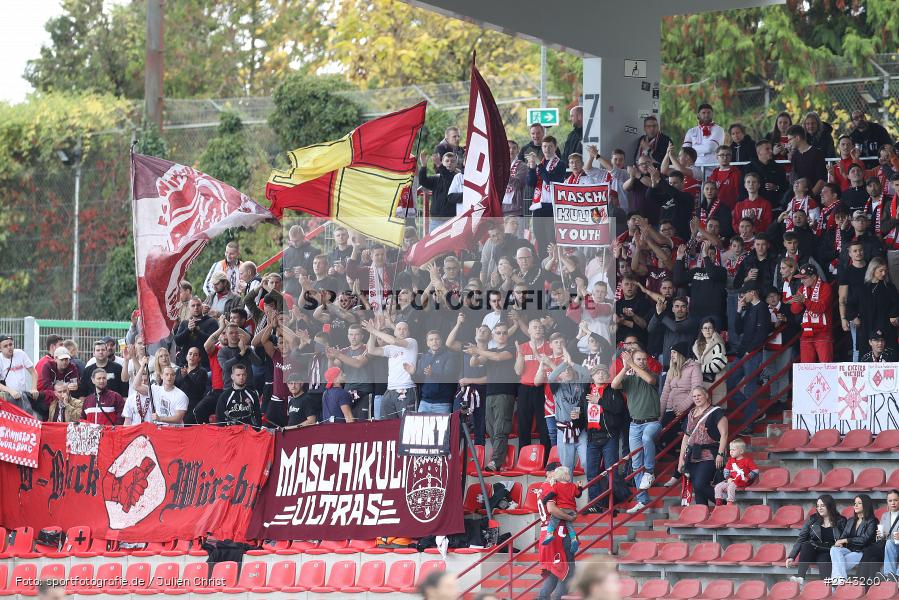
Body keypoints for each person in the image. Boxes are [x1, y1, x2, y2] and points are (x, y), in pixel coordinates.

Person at [611, 349, 660, 513]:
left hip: (651, 422)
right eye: (639, 359)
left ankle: (650, 471)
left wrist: (631, 363)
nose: (642, 362)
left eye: (644, 359)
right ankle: (642, 500)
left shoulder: (652, 374)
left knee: (647, 439)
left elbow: (649, 380)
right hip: (634, 424)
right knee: (636, 463)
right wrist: (625, 368)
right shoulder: (630, 377)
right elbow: (613, 384)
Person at [584, 363, 627, 513]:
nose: (601, 375)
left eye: (603, 372)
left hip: (609, 436)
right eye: (597, 373)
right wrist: (575, 419)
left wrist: (600, 401)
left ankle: (612, 504)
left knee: (612, 471)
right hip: (592, 437)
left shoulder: (613, 390)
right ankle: (596, 504)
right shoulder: (587, 391)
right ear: (592, 376)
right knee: (591, 473)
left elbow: (618, 409)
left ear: (608, 376)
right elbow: (582, 414)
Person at [676, 386, 727, 507]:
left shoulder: (716, 412)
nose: (696, 398)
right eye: (694, 396)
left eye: (699, 395)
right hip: (693, 454)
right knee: (698, 489)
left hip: (710, 453)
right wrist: (681, 459)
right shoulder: (691, 413)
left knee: (700, 484)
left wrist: (720, 454)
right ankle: (702, 515)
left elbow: (724, 434)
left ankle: (724, 504)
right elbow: (686, 437)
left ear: (706, 396)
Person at [364, 319, 418, 420]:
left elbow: (394, 340)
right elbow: (371, 350)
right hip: (390, 390)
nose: (402, 331)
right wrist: (372, 333)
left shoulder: (412, 342)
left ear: (409, 332)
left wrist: (374, 330)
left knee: (407, 423)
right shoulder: (390, 347)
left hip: (406, 387)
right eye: (399, 329)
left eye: (404, 329)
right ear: (395, 332)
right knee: (385, 423)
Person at [787, 494, 846, 585]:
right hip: (814, 550)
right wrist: (791, 556)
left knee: (824, 559)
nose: (819, 508)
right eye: (818, 506)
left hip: (829, 551)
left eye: (822, 506)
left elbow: (845, 539)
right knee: (806, 545)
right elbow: (801, 538)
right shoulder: (813, 519)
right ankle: (800, 577)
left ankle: (828, 589)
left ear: (830, 506)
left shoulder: (841, 521)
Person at [658, 342, 701, 459]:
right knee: (660, 429)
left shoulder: (694, 367)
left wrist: (683, 407)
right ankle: (673, 455)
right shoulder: (671, 370)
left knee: (671, 430)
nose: (671, 355)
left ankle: (679, 456)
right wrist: (659, 415)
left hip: (686, 409)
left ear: (681, 354)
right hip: (670, 408)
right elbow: (665, 392)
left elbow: (696, 389)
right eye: (671, 352)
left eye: (674, 353)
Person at [847, 257, 899, 352]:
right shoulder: (861, 288)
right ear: (873, 270)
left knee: (889, 355)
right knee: (866, 355)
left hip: (885, 326)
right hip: (867, 326)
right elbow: (850, 304)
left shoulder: (889, 287)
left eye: (885, 271)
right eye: (881, 271)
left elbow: (897, 303)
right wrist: (854, 317)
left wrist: (893, 314)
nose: (884, 273)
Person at [790, 264, 835, 363]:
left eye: (804, 278)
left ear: (814, 276)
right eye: (801, 278)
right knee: (806, 369)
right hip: (806, 332)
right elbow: (794, 310)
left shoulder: (826, 287)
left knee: (826, 367)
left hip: (823, 333)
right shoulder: (802, 289)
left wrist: (804, 301)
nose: (802, 281)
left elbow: (820, 308)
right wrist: (799, 302)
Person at [830, 494, 878, 585]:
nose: (855, 505)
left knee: (836, 565)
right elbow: (843, 537)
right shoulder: (851, 520)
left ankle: (836, 585)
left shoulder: (872, 521)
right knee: (834, 549)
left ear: (866, 505)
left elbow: (864, 540)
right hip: (848, 550)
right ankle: (841, 581)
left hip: (861, 552)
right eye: (855, 503)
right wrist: (840, 543)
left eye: (859, 503)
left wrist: (846, 540)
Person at [541, 466, 583, 552]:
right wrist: (580, 487)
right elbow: (578, 495)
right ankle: (574, 539)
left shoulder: (556, 486)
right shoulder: (573, 486)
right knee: (570, 526)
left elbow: (551, 495)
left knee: (553, 521)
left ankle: (549, 534)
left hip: (562, 509)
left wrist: (544, 501)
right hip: (572, 510)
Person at [0, 334, 41, 417]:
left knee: (28, 418)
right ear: (0, 349)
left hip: (23, 395)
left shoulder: (20, 353)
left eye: (11, 344)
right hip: (7, 397)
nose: (9, 347)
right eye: (5, 346)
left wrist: (34, 388)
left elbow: (33, 372)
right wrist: (10, 391)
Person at [692, 318, 728, 407]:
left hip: (716, 384)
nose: (707, 330)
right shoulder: (697, 345)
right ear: (701, 330)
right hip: (701, 384)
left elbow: (717, 365)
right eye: (705, 328)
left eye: (710, 328)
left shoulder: (719, 344)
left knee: (715, 412)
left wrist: (699, 368)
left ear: (714, 329)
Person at [712, 438, 758, 505]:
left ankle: (730, 502)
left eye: (733, 450)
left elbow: (755, 470)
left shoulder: (747, 460)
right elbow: (726, 470)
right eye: (730, 449)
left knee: (730, 487)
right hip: (731, 480)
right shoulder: (731, 460)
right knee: (718, 486)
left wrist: (748, 477)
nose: (731, 451)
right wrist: (728, 478)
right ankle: (718, 503)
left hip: (741, 481)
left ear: (741, 451)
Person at [788, 125, 827, 196]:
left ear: (797, 138)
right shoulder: (795, 156)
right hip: (799, 198)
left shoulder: (817, 153)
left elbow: (821, 180)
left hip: (814, 198)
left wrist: (809, 198)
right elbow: (795, 180)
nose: (789, 143)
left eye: (790, 139)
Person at [682, 103, 725, 167]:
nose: (706, 115)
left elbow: (710, 148)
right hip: (694, 168)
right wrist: (702, 148)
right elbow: (685, 151)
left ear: (712, 114)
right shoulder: (691, 131)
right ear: (698, 115)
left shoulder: (718, 129)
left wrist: (692, 148)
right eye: (703, 113)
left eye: (709, 113)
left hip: (713, 167)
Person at [880, 489, 899, 578]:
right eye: (890, 501)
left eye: (895, 500)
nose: (893, 503)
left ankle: (897, 576)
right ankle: (889, 575)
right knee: (888, 543)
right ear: (887, 502)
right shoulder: (884, 516)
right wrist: (881, 535)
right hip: (891, 545)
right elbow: (882, 537)